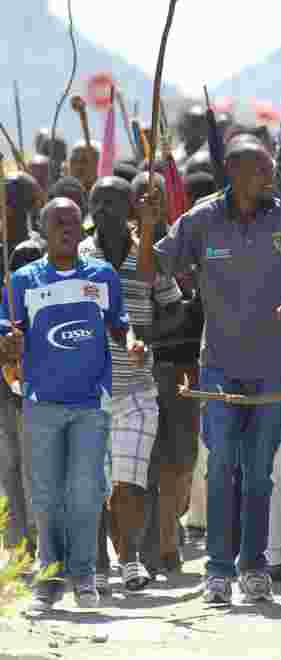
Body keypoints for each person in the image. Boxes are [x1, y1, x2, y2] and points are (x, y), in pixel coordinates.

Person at [151, 139, 281, 605]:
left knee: (258, 474)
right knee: (221, 468)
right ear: (233, 170)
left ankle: (253, 567)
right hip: (218, 368)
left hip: (275, 369)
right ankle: (217, 571)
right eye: (260, 169)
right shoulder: (201, 218)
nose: (270, 176)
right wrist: (149, 220)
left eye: (271, 168)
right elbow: (159, 266)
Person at [1, 198, 143, 613]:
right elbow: (6, 338)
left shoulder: (102, 276)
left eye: (71, 222)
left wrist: (132, 343)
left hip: (91, 403)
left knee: (85, 491)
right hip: (40, 401)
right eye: (56, 222)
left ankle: (84, 577)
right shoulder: (22, 281)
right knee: (45, 494)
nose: (66, 228)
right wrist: (8, 345)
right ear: (41, 230)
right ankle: (50, 579)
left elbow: (120, 324)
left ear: (81, 229)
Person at [81, 175, 183, 594]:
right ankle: (99, 561)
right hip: (87, 390)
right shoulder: (80, 256)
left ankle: (131, 558)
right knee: (94, 482)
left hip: (137, 387)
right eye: (97, 201)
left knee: (130, 480)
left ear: (133, 209)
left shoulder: (148, 257)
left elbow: (176, 310)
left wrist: (146, 336)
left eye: (114, 201)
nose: (105, 209)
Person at [0, 174, 47, 559]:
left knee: (30, 461)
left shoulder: (35, 251)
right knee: (9, 461)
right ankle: (17, 544)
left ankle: (37, 538)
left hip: (34, 371)